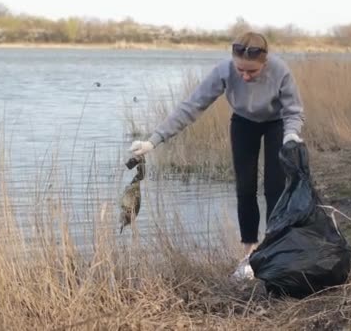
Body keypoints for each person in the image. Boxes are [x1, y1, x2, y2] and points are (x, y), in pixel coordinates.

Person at [129, 31, 305, 280]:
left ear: (264, 62)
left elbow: (294, 111)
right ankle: (249, 254)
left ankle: (274, 249)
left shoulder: (280, 70)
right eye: (240, 69)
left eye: (251, 72)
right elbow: (192, 106)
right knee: (245, 188)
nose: (244, 76)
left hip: (276, 124)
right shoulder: (224, 70)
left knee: (275, 188)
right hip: (243, 123)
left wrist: (291, 136)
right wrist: (153, 140)